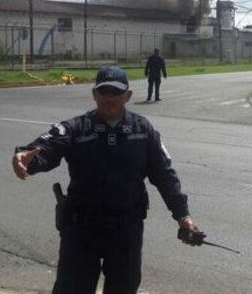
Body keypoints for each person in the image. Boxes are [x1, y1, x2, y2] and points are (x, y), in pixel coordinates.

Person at [11, 66, 199, 294]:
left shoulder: (143, 130)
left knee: (124, 288)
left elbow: (164, 174)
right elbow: (47, 147)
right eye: (104, 92)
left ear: (128, 96)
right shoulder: (76, 128)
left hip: (125, 231)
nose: (109, 98)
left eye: (116, 92)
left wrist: (183, 215)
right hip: (82, 230)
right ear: (94, 94)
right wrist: (27, 158)